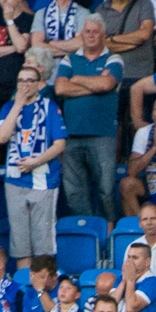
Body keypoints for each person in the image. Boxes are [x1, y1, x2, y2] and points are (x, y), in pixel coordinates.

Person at [54, 15, 122, 223]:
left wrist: (77, 79)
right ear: (81, 35)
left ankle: (108, 237)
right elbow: (60, 88)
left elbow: (106, 85)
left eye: (95, 32)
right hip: (72, 134)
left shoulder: (114, 58)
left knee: (106, 190)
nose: (91, 36)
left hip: (102, 134)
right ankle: (86, 233)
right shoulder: (69, 59)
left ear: (103, 35)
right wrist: (93, 84)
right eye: (87, 32)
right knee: (74, 193)